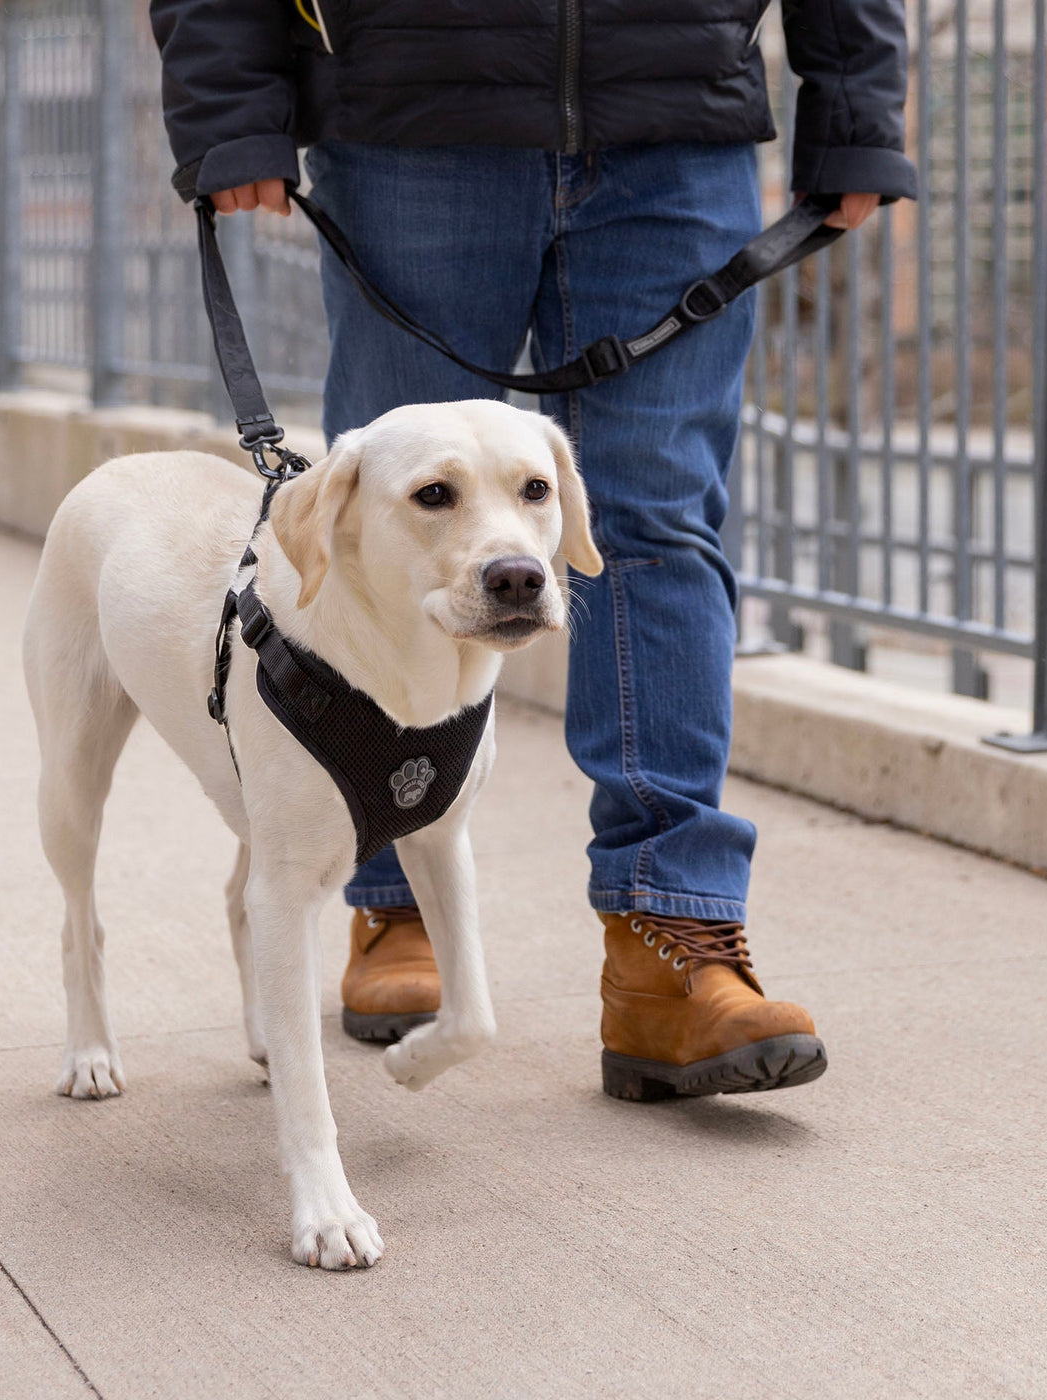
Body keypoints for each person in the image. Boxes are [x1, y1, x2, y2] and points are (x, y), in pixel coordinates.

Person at [149, 0, 915, 1097]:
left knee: (656, 524)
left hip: (676, 105)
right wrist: (230, 104)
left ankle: (669, 937)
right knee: (393, 527)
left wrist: (854, 109)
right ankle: (391, 900)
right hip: (416, 99)